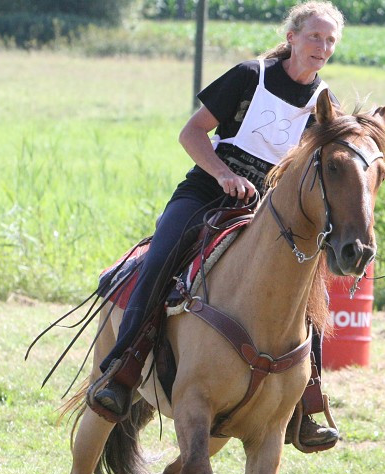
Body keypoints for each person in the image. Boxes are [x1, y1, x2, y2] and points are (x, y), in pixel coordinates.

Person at [88, 1, 345, 450]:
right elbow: (192, 133)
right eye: (314, 37)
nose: (321, 47)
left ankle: (308, 403)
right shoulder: (250, 75)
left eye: (330, 41)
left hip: (270, 216)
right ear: (292, 37)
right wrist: (224, 174)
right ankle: (122, 371)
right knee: (161, 258)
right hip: (207, 193)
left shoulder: (325, 105)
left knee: (311, 293)